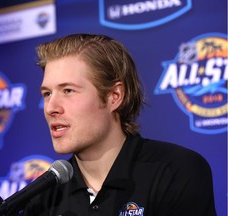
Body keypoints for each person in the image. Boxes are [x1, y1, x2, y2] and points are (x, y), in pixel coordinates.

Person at [24, 33, 216, 216]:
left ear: (114, 97)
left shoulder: (175, 171)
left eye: (68, 90)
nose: (51, 107)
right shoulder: (42, 197)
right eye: (47, 94)